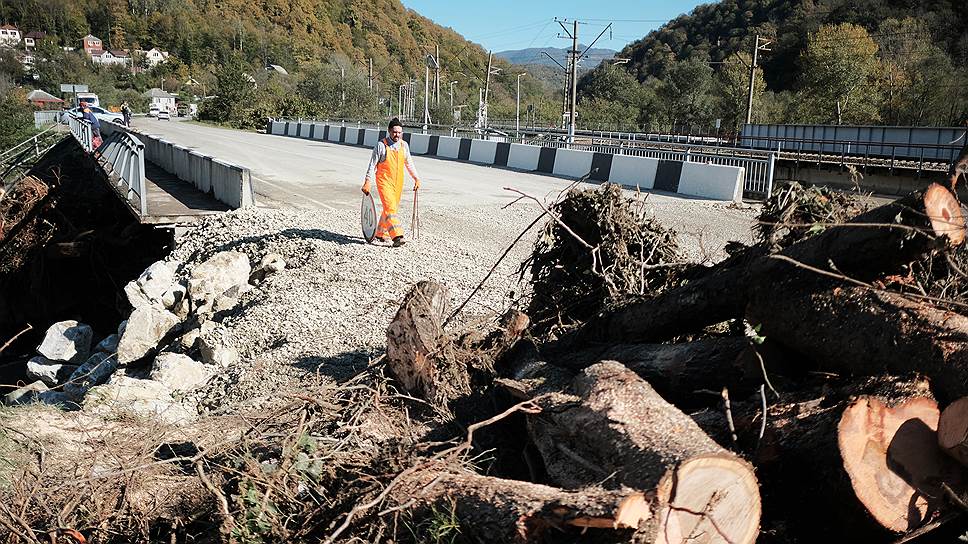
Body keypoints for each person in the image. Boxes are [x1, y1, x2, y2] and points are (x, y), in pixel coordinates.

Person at [361, 118, 422, 246]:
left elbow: (409, 163)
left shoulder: (404, 145)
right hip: (384, 181)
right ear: (389, 131)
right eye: (394, 132)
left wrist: (416, 178)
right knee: (390, 207)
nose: (397, 135)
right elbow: (372, 165)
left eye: (399, 132)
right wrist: (367, 181)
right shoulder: (381, 146)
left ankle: (381, 233)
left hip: (398, 183)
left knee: (391, 208)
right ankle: (397, 236)